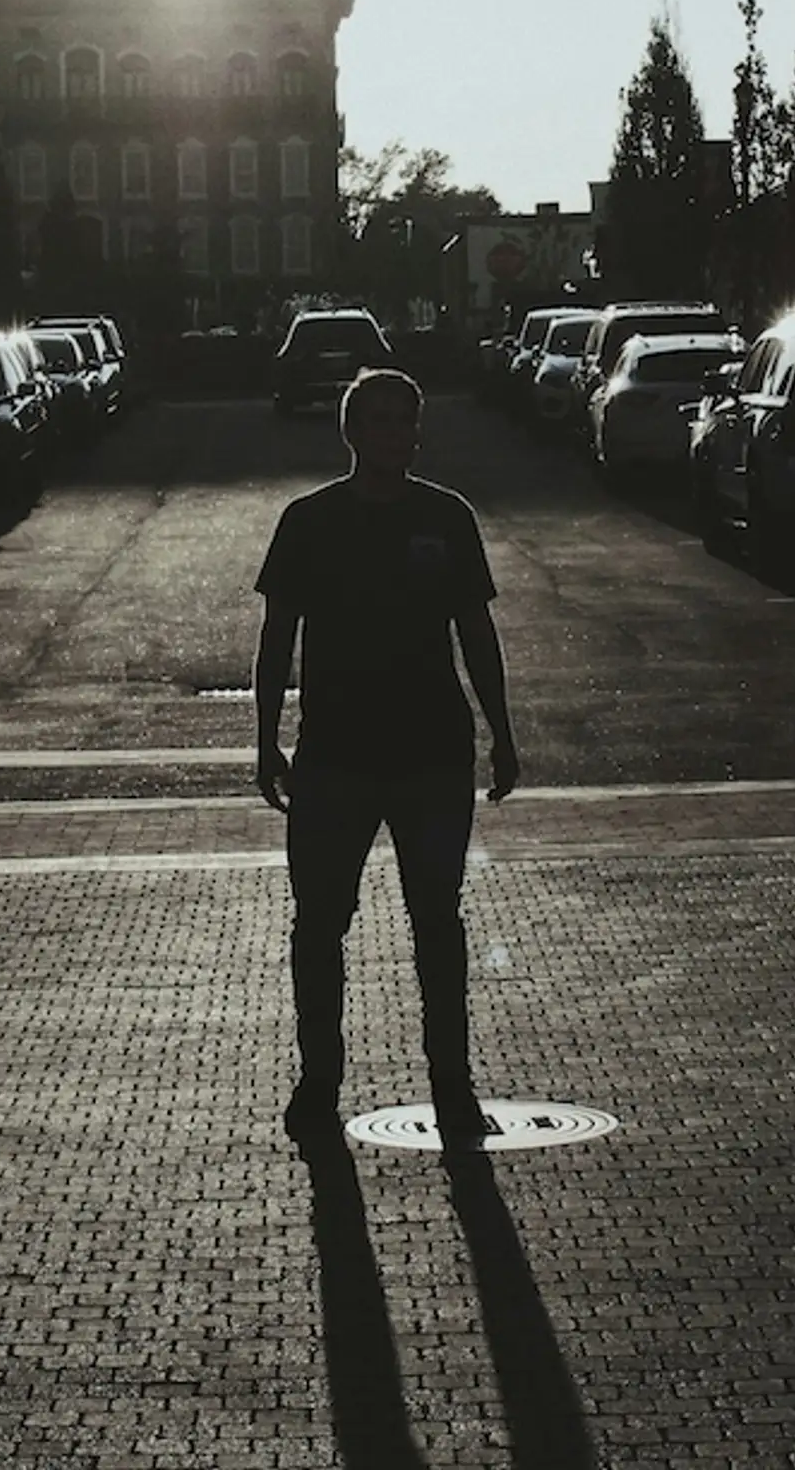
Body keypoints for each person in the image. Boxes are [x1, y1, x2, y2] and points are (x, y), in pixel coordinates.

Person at [255, 367, 520, 1144]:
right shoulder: (309, 522)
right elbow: (278, 640)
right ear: (352, 432)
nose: (396, 435)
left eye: (406, 421)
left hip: (433, 750)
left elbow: (476, 631)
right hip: (335, 752)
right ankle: (319, 1081)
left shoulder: (448, 516)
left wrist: (502, 730)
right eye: (380, 421)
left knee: (437, 921)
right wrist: (267, 737)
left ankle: (452, 1086)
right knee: (319, 925)